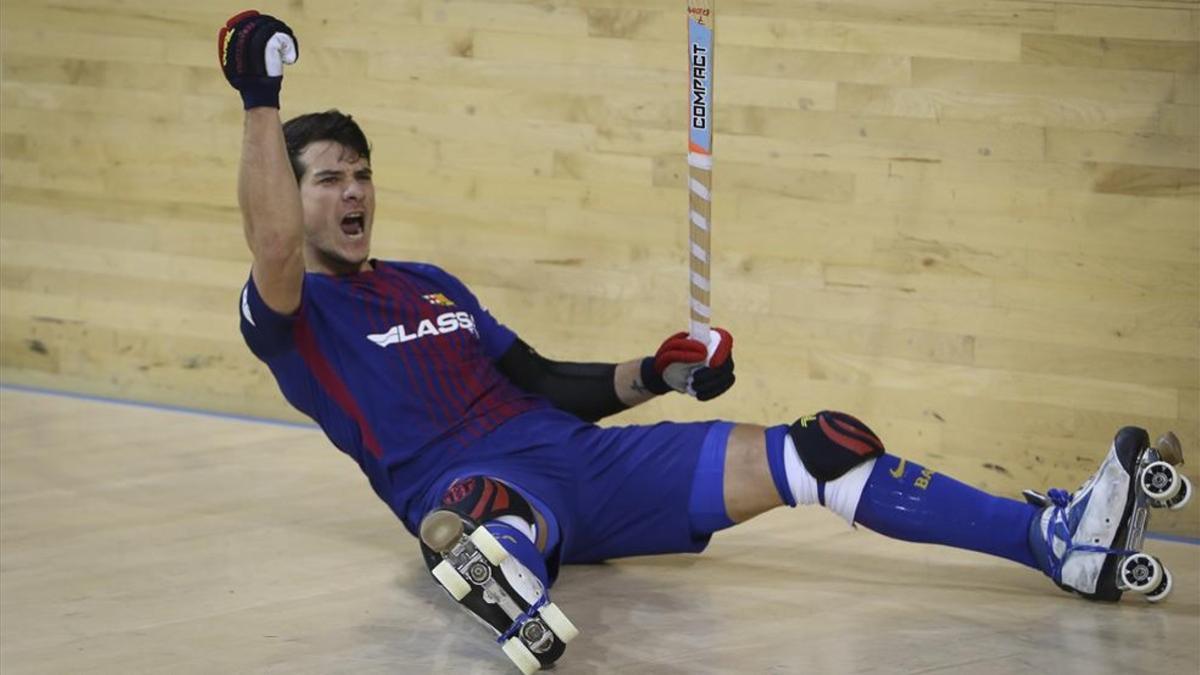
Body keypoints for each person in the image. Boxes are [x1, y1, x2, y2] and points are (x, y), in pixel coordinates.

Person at [219, 11, 1190, 674]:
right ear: (289, 195)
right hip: (465, 480)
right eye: (327, 180)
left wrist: (661, 372)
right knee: (489, 509)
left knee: (825, 447)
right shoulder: (291, 311)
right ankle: (494, 556)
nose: (352, 193)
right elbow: (266, 241)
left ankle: (1056, 542)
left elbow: (540, 380)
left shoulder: (429, 284)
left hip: (583, 460)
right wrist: (259, 97)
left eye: (361, 175)